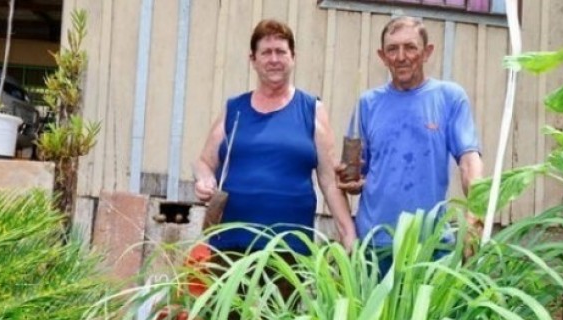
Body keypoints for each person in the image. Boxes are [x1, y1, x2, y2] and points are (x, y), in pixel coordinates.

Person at [193, 19, 356, 262]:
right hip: (229, 246)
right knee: (224, 301)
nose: (274, 59)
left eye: (280, 51)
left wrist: (349, 235)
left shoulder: (311, 110)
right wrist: (204, 180)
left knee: (283, 302)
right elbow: (204, 161)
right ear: (253, 60)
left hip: (289, 251)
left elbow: (330, 182)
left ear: (293, 57)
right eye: (266, 52)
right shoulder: (234, 109)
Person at [337, 16, 484, 264]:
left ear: (427, 52)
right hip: (375, 244)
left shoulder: (449, 97)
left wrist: (476, 212)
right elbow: (358, 171)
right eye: (392, 49)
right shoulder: (367, 104)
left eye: (410, 47)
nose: (401, 57)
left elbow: (470, 161)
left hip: (429, 246)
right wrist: (350, 180)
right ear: (382, 57)